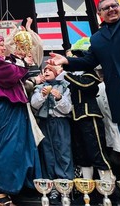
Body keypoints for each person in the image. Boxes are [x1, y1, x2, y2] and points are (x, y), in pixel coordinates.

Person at [47, 0, 120, 181]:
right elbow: (89, 61)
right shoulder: (97, 39)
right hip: (119, 99)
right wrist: (66, 61)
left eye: (114, 5)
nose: (111, 9)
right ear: (99, 14)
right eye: (106, 8)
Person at [0, 35, 42, 206]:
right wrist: (21, 60)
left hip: (5, 106)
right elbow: (12, 75)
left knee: (13, 147)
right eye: (1, 45)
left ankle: (6, 190)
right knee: (4, 148)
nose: (4, 48)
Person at [64, 47, 114, 183]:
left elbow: (84, 85)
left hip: (89, 115)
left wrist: (64, 74)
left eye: (72, 58)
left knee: (96, 149)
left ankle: (107, 184)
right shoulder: (71, 76)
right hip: (75, 117)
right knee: (82, 153)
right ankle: (87, 187)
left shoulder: (89, 75)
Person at [31, 64, 73, 205]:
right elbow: (34, 104)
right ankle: (52, 187)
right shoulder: (39, 88)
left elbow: (67, 108)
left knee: (63, 152)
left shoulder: (65, 87)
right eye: (46, 70)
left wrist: (59, 97)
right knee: (48, 153)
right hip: (45, 122)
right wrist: (43, 95)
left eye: (50, 70)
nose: (47, 71)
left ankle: (65, 187)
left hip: (60, 123)